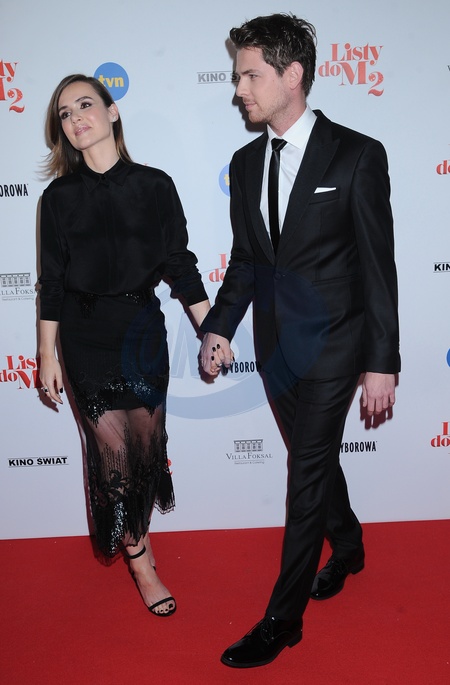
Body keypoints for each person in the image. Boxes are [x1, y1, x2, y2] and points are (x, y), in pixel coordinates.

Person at [200, 13, 400, 667]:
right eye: (236, 77)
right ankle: (350, 546)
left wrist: (381, 361)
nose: (238, 89)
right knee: (314, 460)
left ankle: (282, 620)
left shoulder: (356, 154)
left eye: (250, 75)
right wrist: (218, 327)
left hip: (339, 343)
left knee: (306, 472)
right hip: (276, 349)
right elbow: (248, 262)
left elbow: (378, 267)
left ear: (292, 75)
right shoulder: (244, 163)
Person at [39, 74, 210, 617]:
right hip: (84, 337)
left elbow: (180, 264)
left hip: (141, 333)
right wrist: (46, 355)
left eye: (85, 105)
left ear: (112, 112)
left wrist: (211, 328)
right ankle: (141, 565)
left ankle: (139, 534)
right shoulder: (58, 198)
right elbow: (51, 283)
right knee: (112, 457)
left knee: (145, 448)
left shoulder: (155, 186)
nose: (75, 118)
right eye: (65, 113)